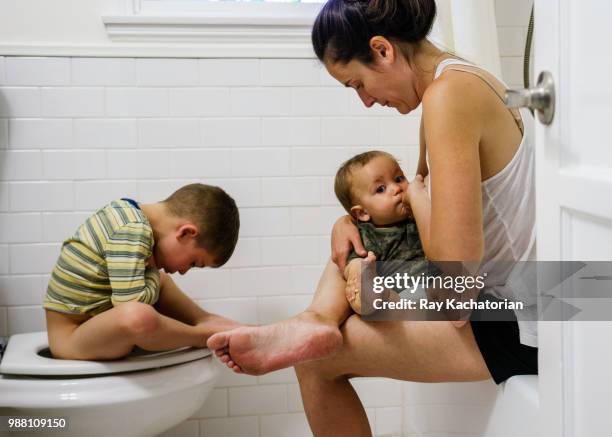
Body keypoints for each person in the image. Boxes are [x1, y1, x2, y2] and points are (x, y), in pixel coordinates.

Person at [208, 0, 538, 434]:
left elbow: (456, 285)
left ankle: (316, 326)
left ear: (382, 50)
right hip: (522, 296)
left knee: (315, 362)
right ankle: (318, 320)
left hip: (521, 316)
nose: (365, 101)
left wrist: (416, 199)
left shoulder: (448, 96)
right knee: (355, 252)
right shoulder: (459, 80)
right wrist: (352, 223)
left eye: (357, 83)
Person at [44, 183, 242, 360]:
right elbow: (129, 305)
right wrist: (153, 274)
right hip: (71, 339)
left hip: (89, 326)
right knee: (138, 316)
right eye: (192, 263)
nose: (183, 271)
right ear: (186, 233)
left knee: (157, 285)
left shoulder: (129, 212)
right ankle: (203, 335)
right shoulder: (132, 229)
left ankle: (209, 321)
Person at [334, 150, 439, 314]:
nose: (397, 188)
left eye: (399, 179)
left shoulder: (418, 213)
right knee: (383, 296)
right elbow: (351, 262)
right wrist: (358, 270)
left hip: (434, 288)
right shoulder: (368, 234)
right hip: (401, 294)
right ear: (362, 213)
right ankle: (370, 294)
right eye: (381, 189)